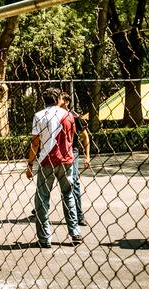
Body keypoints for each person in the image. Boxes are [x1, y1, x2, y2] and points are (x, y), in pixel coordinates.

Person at [26, 88, 81, 248]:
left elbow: (35, 143)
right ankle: (75, 232)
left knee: (42, 198)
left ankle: (45, 238)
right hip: (67, 160)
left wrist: (30, 163)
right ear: (58, 99)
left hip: (47, 160)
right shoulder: (68, 115)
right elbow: (71, 138)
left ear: (44, 100)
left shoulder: (39, 115)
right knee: (68, 195)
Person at [58, 93, 91, 227]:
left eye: (59, 99)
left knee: (74, 181)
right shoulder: (55, 115)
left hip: (72, 151)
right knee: (48, 179)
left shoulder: (75, 117)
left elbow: (85, 137)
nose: (56, 101)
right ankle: (39, 208)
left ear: (66, 101)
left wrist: (87, 156)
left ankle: (79, 214)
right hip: (57, 151)